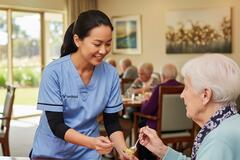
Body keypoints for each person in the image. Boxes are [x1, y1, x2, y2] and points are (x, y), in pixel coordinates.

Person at [30, 10, 136, 160]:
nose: (103, 50)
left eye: (108, 44)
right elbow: (56, 125)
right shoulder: (54, 72)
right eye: (97, 44)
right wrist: (92, 143)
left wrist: (123, 150)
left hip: (88, 155)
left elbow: (112, 123)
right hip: (52, 153)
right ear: (77, 40)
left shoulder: (111, 74)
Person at [139, 54, 240, 160]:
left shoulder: (218, 141)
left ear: (205, 95)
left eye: (186, 88)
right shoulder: (230, 123)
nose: (182, 95)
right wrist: (162, 150)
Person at [137, 63, 182, 160]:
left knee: (142, 126)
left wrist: (146, 100)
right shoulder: (183, 87)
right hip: (183, 128)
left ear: (162, 76)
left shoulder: (160, 88)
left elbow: (146, 111)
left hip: (160, 126)